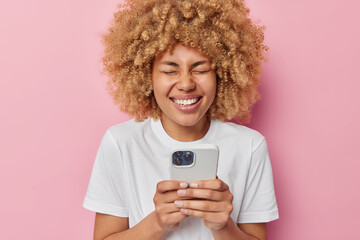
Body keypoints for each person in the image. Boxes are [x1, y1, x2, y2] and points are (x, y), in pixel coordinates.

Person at [83, 0, 279, 239]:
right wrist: (158, 223)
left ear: (221, 74)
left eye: (200, 69)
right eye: (169, 70)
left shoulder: (249, 146)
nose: (186, 83)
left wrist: (223, 226)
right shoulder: (121, 142)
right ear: (147, 76)